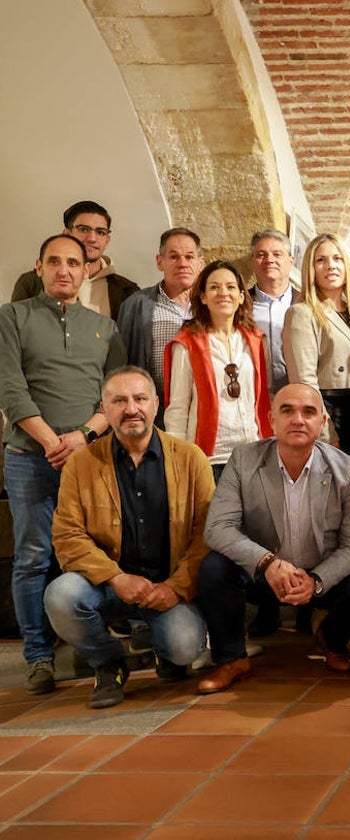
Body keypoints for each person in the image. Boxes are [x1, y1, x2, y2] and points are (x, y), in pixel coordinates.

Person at [0, 234, 126, 695]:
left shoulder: (103, 327)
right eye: (54, 261)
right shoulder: (11, 317)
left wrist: (85, 435)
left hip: (91, 458)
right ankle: (37, 657)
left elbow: (113, 393)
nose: (64, 270)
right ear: (39, 267)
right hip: (29, 458)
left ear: (86, 270)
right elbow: (10, 388)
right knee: (33, 557)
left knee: (98, 550)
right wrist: (54, 441)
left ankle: (91, 645)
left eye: (73, 263)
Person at [197, 383, 350, 693]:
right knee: (214, 569)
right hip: (263, 575)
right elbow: (217, 528)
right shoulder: (244, 460)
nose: (298, 419)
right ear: (271, 419)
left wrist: (316, 580)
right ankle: (231, 659)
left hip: (320, 576)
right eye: (288, 411)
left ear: (323, 422)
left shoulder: (348, 470)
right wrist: (267, 563)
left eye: (309, 412)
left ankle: (332, 639)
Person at [45, 366, 212, 708]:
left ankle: (161, 646)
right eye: (118, 400)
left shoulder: (190, 458)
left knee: (184, 648)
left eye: (139, 398)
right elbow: (67, 536)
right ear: (103, 411)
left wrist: (176, 587)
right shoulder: (81, 464)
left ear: (156, 404)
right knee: (61, 596)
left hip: (167, 587)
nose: (131, 408)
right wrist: (115, 577)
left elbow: (206, 535)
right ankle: (108, 661)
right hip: (105, 586)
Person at [163, 260, 273, 480]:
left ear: (241, 296)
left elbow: (262, 399)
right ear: (202, 296)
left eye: (231, 287)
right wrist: (178, 459)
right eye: (214, 287)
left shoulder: (255, 340)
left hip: (253, 452)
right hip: (209, 458)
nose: (224, 293)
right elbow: (177, 408)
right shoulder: (187, 344)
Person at [283, 233, 350, 458]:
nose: (331, 266)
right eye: (321, 260)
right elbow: (304, 380)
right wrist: (323, 429)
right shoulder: (301, 313)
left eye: (337, 258)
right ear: (310, 268)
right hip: (333, 414)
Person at [12, 200, 138, 320]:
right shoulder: (32, 283)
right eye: (84, 229)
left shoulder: (127, 291)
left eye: (100, 232)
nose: (92, 238)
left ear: (107, 240)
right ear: (66, 234)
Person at [117, 227, 204, 400]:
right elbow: (122, 364)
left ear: (200, 263)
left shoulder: (212, 304)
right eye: (174, 257)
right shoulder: (136, 305)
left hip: (205, 408)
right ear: (159, 261)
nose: (182, 263)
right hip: (157, 412)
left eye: (189, 257)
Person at [247, 229, 298, 395]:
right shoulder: (239, 304)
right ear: (252, 261)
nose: (270, 260)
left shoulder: (307, 303)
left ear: (291, 260)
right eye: (261, 254)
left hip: (297, 395)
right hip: (252, 396)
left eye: (277, 254)